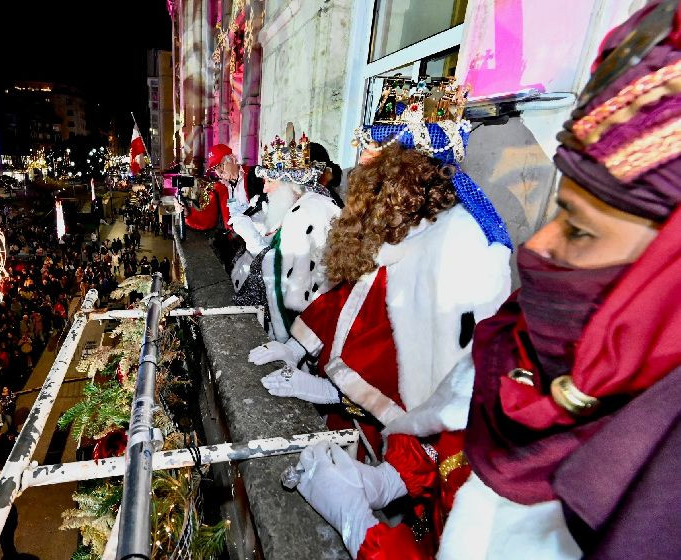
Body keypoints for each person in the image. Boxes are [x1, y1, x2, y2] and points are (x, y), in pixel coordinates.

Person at [294, 3, 681, 559]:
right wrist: (392, 480)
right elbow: (454, 425)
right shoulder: (532, 347)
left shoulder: (646, 495)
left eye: (577, 229)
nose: (538, 249)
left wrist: (365, 531)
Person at [255, 101, 512, 557]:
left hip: (396, 441)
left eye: (373, 162)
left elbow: (448, 399)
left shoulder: (454, 252)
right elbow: (349, 302)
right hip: (370, 427)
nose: (358, 175)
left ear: (402, 176)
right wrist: (298, 349)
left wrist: (383, 485)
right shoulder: (402, 234)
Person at [232, 129, 342, 341]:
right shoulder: (299, 207)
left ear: (288, 184)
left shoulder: (309, 213)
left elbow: (299, 286)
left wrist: (257, 246)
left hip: (303, 335)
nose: (265, 189)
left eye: (269, 181)